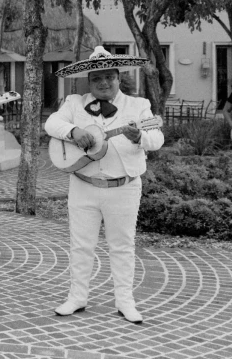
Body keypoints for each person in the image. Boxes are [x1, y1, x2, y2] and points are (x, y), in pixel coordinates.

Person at [44, 46, 164, 324]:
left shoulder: (139, 106)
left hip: (123, 187)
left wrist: (139, 138)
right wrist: (74, 131)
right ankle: (77, 297)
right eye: (97, 78)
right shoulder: (75, 103)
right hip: (83, 184)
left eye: (109, 76)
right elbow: (52, 123)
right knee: (81, 245)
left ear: (118, 77)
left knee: (122, 245)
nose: (103, 83)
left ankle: (125, 301)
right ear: (89, 81)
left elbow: (156, 138)